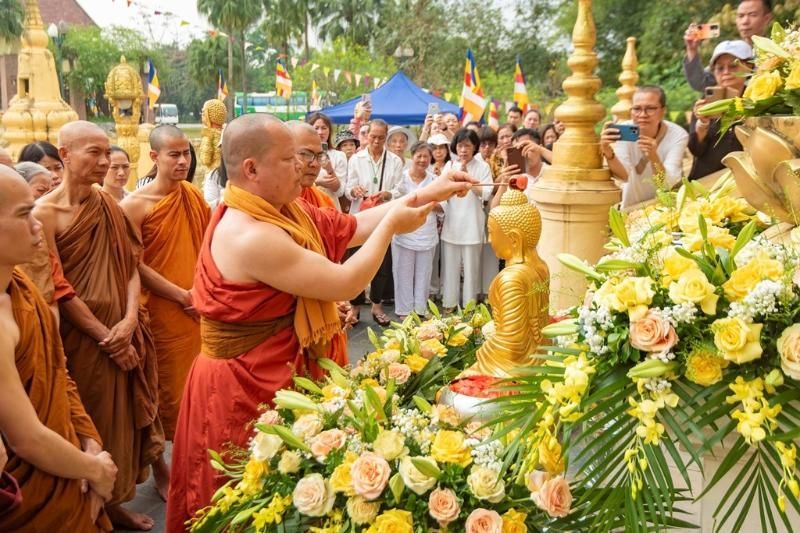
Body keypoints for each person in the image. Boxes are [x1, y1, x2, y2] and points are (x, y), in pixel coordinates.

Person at [165, 113, 474, 531]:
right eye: (291, 159)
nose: (305, 167)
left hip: (278, 366)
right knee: (245, 497)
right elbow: (345, 280)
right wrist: (391, 229)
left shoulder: (285, 209)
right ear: (252, 169)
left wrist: (430, 191)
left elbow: (353, 227)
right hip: (240, 384)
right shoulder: (250, 232)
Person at [33, 121, 164, 531]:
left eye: (107, 152)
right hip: (85, 341)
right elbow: (60, 289)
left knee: (126, 418)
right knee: (93, 420)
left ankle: (118, 497)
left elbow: (130, 268)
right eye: (94, 152)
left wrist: (126, 322)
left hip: (123, 331)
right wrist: (106, 337)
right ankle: (101, 504)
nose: (105, 161)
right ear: (65, 154)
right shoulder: (44, 215)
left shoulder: (108, 204)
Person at [0, 166, 118, 532]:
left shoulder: (20, 284)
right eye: (23, 215)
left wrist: (90, 442)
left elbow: (57, 370)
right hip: (37, 491)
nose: (37, 226)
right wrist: (95, 471)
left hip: (67, 463)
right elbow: (27, 438)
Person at [120, 125, 211, 502]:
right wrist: (179, 294)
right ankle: (161, 465)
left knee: (200, 387)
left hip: (198, 306)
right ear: (154, 157)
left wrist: (203, 292)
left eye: (186, 153)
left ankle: (201, 457)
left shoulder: (191, 194)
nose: (182, 161)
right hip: (160, 311)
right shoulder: (134, 206)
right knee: (159, 391)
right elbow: (133, 265)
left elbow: (207, 243)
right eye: (173, 154)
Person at [345, 119, 404, 326]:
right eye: (373, 137)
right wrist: (355, 191)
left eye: (380, 137)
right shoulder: (356, 159)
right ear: (366, 135)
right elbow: (347, 187)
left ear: (386, 137)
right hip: (360, 217)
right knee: (356, 260)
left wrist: (388, 194)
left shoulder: (395, 161)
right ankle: (355, 305)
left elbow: (400, 189)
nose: (376, 141)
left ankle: (377, 305)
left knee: (382, 263)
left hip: (383, 216)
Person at [600, 86, 689, 208]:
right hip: (632, 205)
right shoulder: (624, 131)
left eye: (650, 108)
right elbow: (624, 176)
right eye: (636, 109)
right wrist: (608, 152)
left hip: (667, 207)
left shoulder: (678, 135)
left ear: (663, 111)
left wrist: (653, 157)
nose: (642, 115)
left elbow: (667, 184)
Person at [440, 128, 493, 310]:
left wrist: (469, 183)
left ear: (474, 147)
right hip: (452, 224)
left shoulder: (482, 167)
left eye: (468, 146)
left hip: (472, 224)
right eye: (460, 145)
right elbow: (441, 191)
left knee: (471, 270)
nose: (463, 150)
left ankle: (469, 306)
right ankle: (449, 304)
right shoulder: (449, 166)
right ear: (455, 146)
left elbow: (486, 193)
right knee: (450, 268)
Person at [688, 41, 752, 181]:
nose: (726, 72)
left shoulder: (758, 99)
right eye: (720, 68)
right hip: (705, 181)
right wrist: (702, 124)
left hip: (744, 179)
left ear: (749, 67)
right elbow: (695, 149)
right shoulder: (704, 103)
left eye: (733, 66)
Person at [391, 142, 440, 318]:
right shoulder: (401, 178)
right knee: (402, 273)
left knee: (423, 274)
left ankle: (420, 309)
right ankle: (404, 310)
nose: (422, 160)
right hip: (404, 233)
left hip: (426, 234)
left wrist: (430, 204)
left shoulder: (434, 180)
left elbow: (443, 207)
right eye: (418, 156)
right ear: (412, 157)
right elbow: (393, 201)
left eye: (426, 156)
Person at [683, 0, 771, 92]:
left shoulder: (780, 51)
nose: (745, 21)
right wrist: (691, 50)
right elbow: (701, 82)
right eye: (741, 16)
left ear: (767, 18)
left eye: (752, 15)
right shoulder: (728, 53)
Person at [492, 128, 549, 207]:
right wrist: (504, 182)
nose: (523, 153)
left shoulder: (552, 172)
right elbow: (494, 209)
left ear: (539, 147)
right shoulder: (514, 178)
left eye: (526, 147)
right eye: (518, 150)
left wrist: (541, 150)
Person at [307, 112, 347, 209]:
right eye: (316, 128)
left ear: (329, 131)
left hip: (330, 206)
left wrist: (330, 170)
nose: (320, 132)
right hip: (308, 205)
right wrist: (317, 182)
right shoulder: (304, 154)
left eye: (324, 128)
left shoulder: (339, 155)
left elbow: (339, 191)